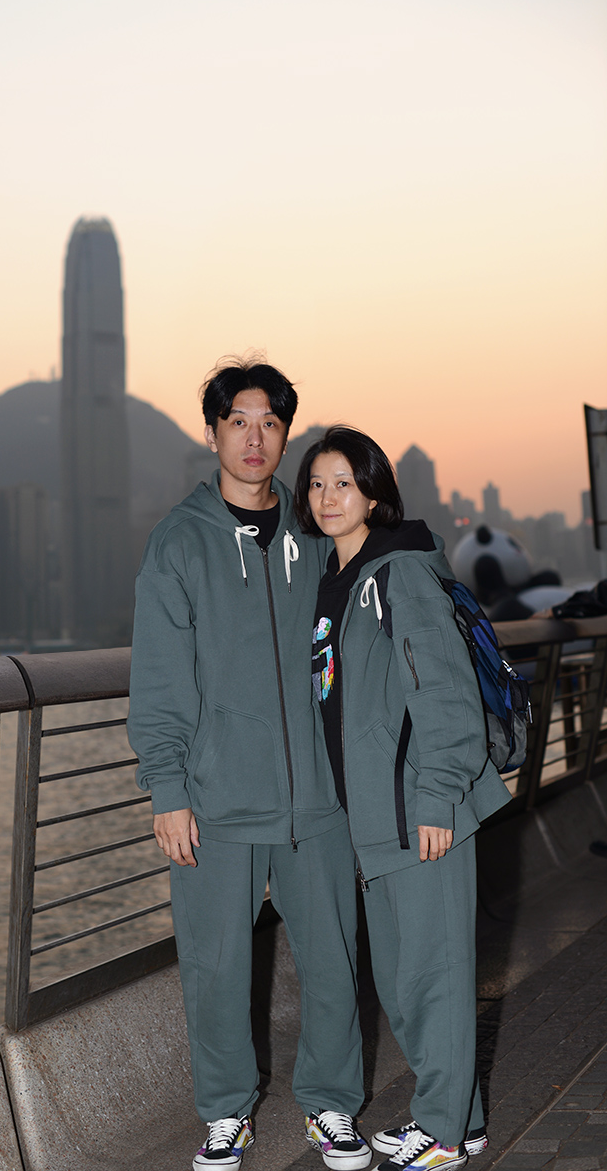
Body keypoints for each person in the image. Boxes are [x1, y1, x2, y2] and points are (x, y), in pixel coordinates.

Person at [128, 360, 370, 1171]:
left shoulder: (317, 532)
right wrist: (167, 788)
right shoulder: (179, 543)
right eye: (238, 420)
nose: (254, 437)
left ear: (286, 433)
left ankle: (331, 1105)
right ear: (212, 433)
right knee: (215, 970)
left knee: (333, 962)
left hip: (318, 801)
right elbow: (158, 679)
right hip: (215, 802)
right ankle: (225, 1113)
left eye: (269, 421)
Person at [293, 426, 511, 1171]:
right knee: (403, 978)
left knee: (432, 976)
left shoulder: (399, 573)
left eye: (344, 483)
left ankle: (443, 1136)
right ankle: (460, 1121)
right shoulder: (336, 579)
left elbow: (444, 692)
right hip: (375, 820)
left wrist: (437, 797)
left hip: (420, 811)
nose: (328, 497)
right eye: (316, 483)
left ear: (374, 493)